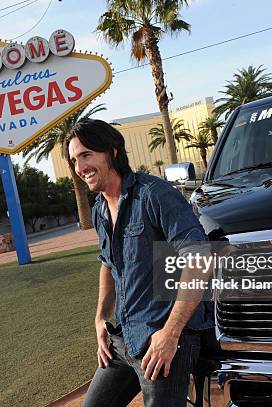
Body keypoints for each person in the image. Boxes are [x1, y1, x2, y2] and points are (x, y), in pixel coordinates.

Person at [65, 119, 214, 407]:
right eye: (74, 160)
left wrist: (170, 334)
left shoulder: (155, 195)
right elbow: (108, 264)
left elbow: (199, 258)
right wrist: (100, 318)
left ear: (113, 152)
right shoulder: (99, 209)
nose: (79, 167)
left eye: (86, 155)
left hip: (164, 338)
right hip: (125, 339)